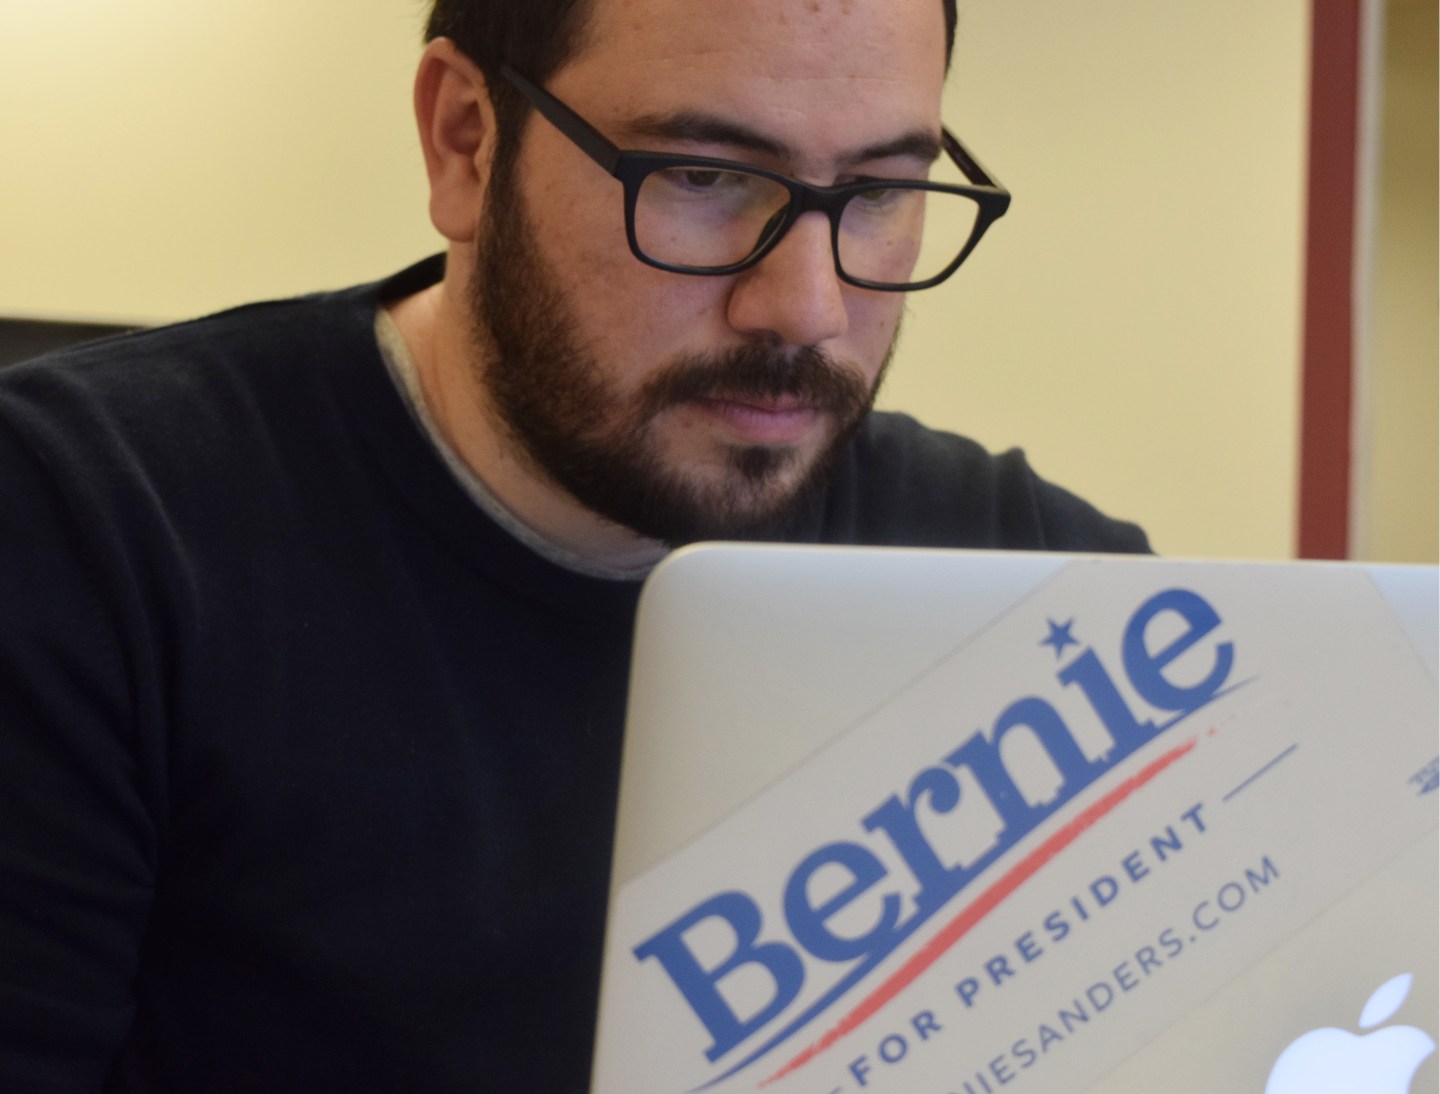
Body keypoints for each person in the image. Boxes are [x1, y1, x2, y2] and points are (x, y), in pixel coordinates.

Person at [0, 0, 1147, 1089]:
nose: (805, 308)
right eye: (703, 176)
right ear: (465, 140)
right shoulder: (86, 527)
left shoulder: (1036, 588)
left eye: (884, 192)